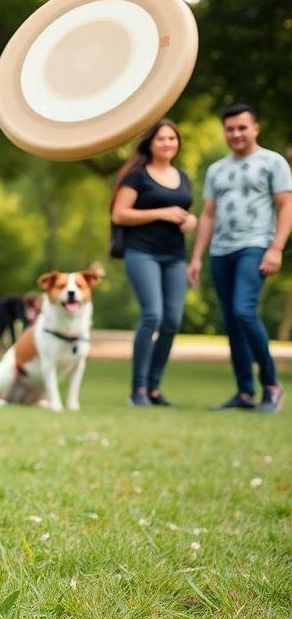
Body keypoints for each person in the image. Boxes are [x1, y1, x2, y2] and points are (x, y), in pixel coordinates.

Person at [188, 104, 292, 413]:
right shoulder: (216, 170)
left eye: (242, 127)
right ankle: (245, 392)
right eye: (230, 128)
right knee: (233, 322)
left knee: (244, 311)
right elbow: (208, 214)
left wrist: (276, 248)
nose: (236, 134)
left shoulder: (272, 162)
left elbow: (286, 206)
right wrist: (197, 257)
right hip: (221, 251)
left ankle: (271, 386)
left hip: (255, 245)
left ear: (255, 128)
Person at [112, 119, 197, 407]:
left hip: (175, 256)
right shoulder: (137, 177)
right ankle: (137, 391)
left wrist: (191, 220)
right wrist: (162, 212)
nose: (168, 143)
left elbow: (184, 211)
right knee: (153, 316)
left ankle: (153, 388)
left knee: (172, 321)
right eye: (162, 138)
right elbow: (119, 214)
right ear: (150, 143)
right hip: (142, 253)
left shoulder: (182, 177)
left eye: (173, 138)